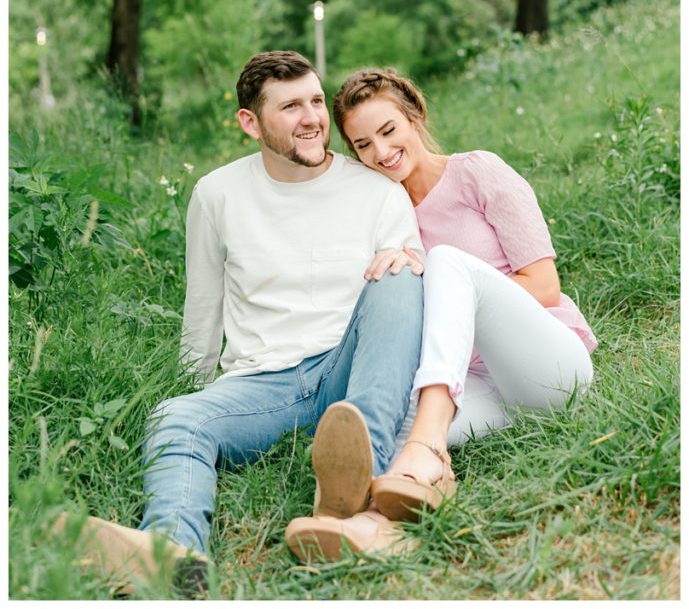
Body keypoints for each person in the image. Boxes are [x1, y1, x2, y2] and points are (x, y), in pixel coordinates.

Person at [54, 51, 427, 595]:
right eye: (291, 106)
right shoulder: (217, 194)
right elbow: (202, 309)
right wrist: (196, 393)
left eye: (317, 101)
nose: (313, 118)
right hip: (265, 383)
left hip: (353, 371)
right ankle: (171, 556)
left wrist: (405, 263)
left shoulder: (377, 191)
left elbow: (405, 307)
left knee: (401, 272)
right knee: (176, 419)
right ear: (250, 121)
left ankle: (355, 476)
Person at [333, 67, 597, 521]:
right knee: (392, 424)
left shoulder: (477, 172)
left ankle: (428, 441)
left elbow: (544, 284)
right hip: (480, 389)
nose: (381, 151)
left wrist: (442, 278)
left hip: (551, 370)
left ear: (414, 116)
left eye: (388, 130)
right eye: (363, 144)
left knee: (446, 263)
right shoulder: (389, 217)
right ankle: (376, 521)